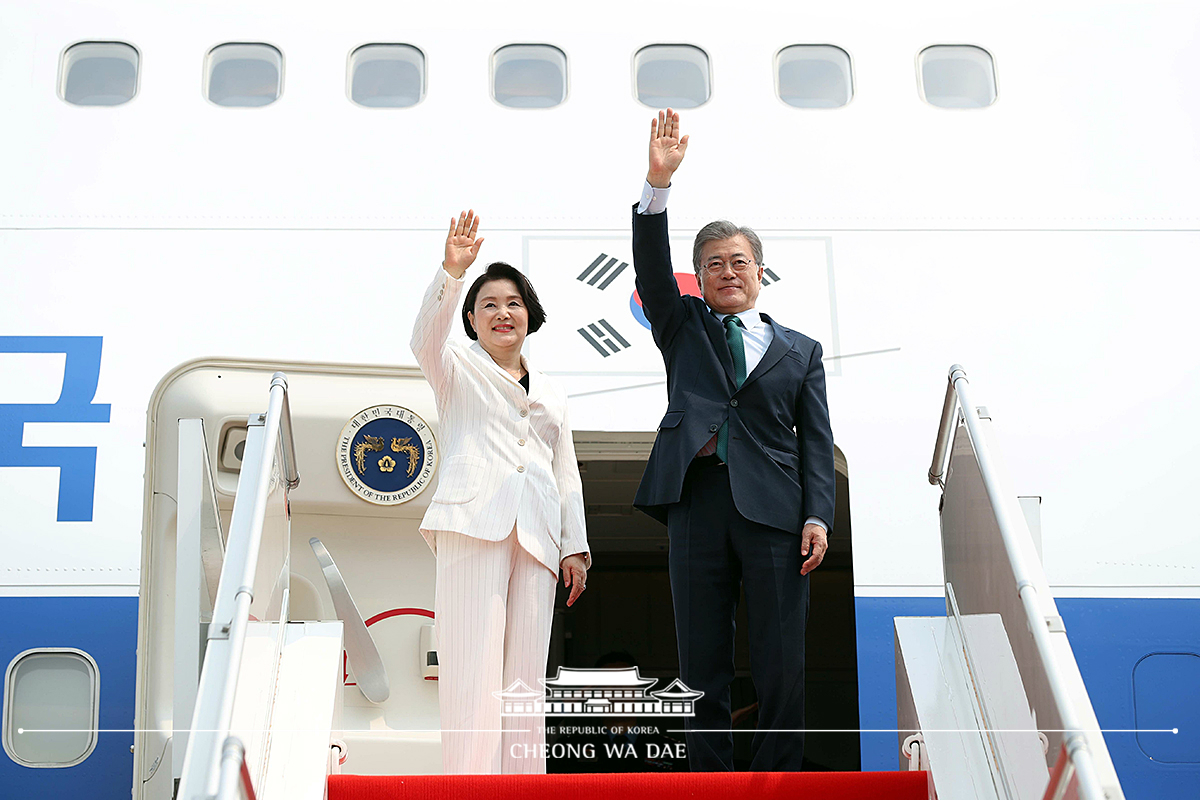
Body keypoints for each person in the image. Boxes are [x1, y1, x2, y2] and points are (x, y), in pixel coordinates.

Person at [630, 111, 836, 772]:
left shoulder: (800, 351)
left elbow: (815, 442)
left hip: (776, 512)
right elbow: (652, 270)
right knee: (701, 655)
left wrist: (817, 514)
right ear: (700, 277)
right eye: (713, 264)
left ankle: (780, 777)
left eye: (738, 261)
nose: (726, 272)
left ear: (760, 271)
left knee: (782, 654)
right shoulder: (682, 326)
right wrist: (656, 188)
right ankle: (709, 780)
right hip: (696, 501)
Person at [410, 210, 591, 774]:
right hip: (472, 525)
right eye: (488, 305)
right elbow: (424, 338)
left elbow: (565, 472)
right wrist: (452, 272)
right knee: (470, 668)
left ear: (529, 316)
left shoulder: (554, 393)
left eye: (513, 303)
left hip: (536, 539)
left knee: (523, 683)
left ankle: (521, 786)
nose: (502, 313)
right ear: (471, 318)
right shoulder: (455, 370)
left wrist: (574, 547)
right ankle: (467, 785)